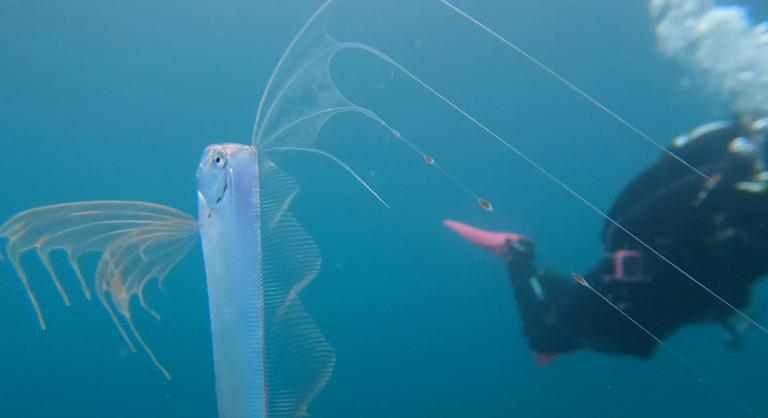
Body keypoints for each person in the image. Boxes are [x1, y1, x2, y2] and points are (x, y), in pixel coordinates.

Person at [446, 119, 768, 364]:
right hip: (637, 279)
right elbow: (644, 219)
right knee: (544, 339)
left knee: (596, 337)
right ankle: (516, 252)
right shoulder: (733, 187)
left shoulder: (742, 196)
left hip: (669, 299)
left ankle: (544, 288)